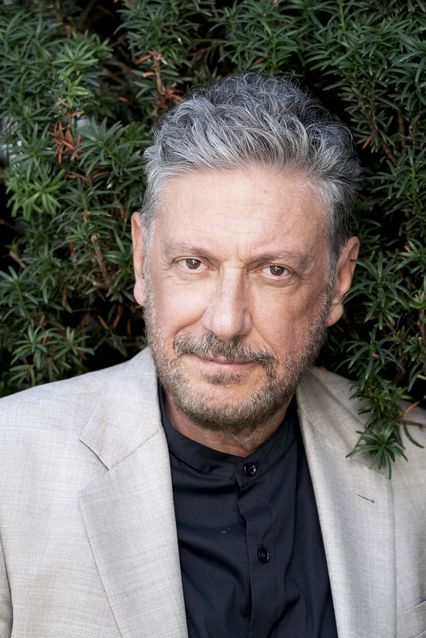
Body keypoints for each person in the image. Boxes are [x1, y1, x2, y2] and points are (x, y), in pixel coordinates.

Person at [0, 74, 424, 638]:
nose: (225, 322)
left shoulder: (416, 466)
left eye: (275, 271)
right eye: (194, 264)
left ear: (338, 281)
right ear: (141, 260)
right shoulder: (10, 466)